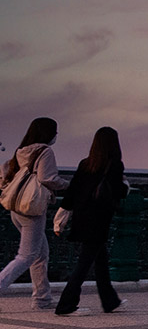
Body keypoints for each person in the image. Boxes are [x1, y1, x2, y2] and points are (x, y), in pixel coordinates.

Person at [53, 127, 129, 315]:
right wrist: (125, 185)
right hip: (99, 221)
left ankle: (110, 301)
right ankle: (66, 305)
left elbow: (72, 192)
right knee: (84, 264)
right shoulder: (114, 165)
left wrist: (61, 216)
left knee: (100, 261)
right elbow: (118, 191)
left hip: (82, 218)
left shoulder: (86, 164)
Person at [0, 117, 70, 310]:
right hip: (31, 210)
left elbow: (6, 175)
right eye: (55, 131)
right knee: (26, 256)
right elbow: (47, 178)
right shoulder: (45, 151)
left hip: (16, 209)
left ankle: (42, 299)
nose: (56, 135)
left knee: (40, 254)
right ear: (48, 133)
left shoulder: (21, 151)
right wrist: (69, 185)